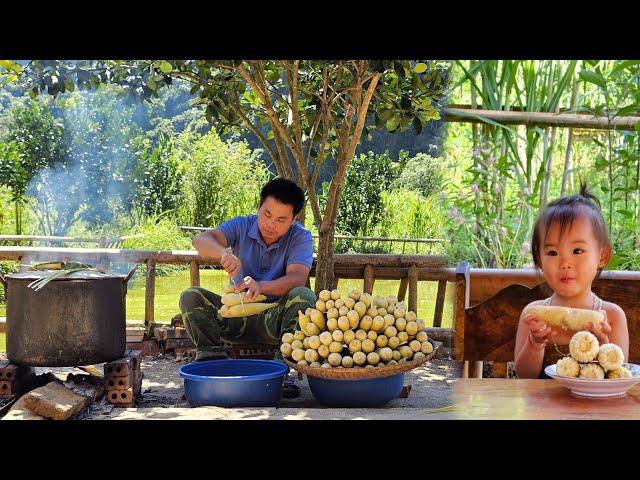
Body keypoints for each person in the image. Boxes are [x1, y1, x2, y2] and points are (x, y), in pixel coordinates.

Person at [179, 178, 317, 396]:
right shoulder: (242, 225)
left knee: (304, 296)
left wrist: (260, 286)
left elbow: (297, 278)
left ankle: (282, 371)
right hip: (232, 316)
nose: (271, 224)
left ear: (294, 219)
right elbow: (201, 240)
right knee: (190, 296)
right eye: (267, 214)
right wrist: (224, 253)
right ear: (259, 207)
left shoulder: (301, 237)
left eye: (282, 219)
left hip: (275, 320)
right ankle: (211, 360)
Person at [514, 183, 629, 379]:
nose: (565, 263)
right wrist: (535, 344)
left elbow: (618, 377)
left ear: (602, 256)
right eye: (552, 252)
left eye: (577, 251)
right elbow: (525, 377)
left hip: (595, 407)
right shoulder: (533, 316)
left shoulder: (613, 316)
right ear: (539, 259)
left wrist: (603, 345)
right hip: (544, 407)